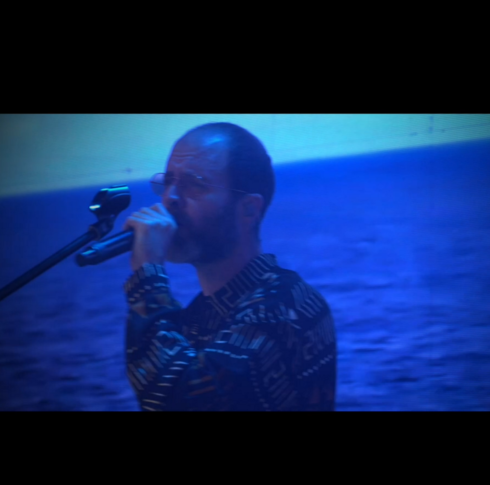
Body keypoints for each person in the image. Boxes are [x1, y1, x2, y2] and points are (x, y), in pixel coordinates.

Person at [122, 122, 336, 411]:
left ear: (249, 209)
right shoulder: (200, 314)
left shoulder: (285, 306)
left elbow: (182, 401)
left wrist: (147, 278)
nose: (170, 198)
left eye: (195, 184)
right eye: (168, 181)